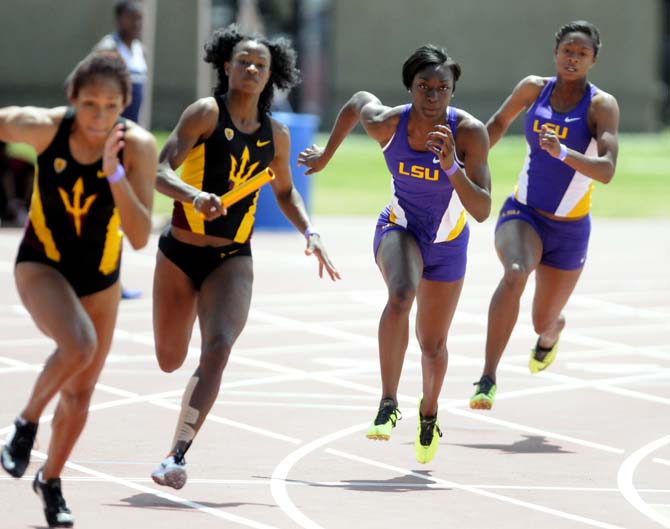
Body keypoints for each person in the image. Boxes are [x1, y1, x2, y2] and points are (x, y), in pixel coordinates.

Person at [149, 24, 340, 490]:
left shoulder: (275, 136)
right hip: (179, 253)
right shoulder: (204, 115)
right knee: (170, 360)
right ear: (226, 67)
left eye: (261, 64)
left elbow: (287, 191)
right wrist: (195, 197)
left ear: (273, 75)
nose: (252, 68)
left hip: (232, 258)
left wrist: (310, 231)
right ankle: (187, 313)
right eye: (243, 61)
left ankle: (175, 454)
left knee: (218, 347)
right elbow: (159, 171)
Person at [297, 45, 491, 464]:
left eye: (443, 88)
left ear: (453, 92)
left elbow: (481, 210)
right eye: (424, 86)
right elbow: (355, 103)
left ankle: (429, 412)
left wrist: (452, 166)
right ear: (410, 87)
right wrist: (326, 156)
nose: (433, 95)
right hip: (399, 228)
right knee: (401, 295)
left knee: (433, 345)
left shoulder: (470, 133)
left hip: (448, 245)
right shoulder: (387, 123)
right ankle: (388, 402)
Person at [0, 51, 157, 527]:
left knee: (81, 394)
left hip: (101, 277)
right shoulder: (46, 127)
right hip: (42, 263)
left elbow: (139, 235)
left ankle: (50, 480)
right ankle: (24, 424)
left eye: (112, 106)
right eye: (90, 104)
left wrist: (114, 175)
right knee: (79, 344)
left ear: (126, 105)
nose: (100, 116)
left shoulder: (138, 147)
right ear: (72, 98)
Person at [469, 20, 619, 410]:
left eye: (582, 54)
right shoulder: (534, 88)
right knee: (515, 271)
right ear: (555, 53)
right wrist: (462, 167)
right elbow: (497, 125)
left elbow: (606, 170)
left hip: (569, 231)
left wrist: (564, 153)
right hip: (523, 213)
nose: (573, 58)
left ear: (593, 60)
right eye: (568, 50)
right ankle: (487, 378)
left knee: (542, 322)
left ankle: (552, 334)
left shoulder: (601, 106)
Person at [94, 0, 148, 299]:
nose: (138, 24)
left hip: (131, 140)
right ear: (119, 19)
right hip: (110, 139)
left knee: (119, 210)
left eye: (141, 19)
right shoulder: (108, 48)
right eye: (132, 18)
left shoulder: (139, 50)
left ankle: (111, 277)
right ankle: (103, 277)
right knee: (104, 208)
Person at [0, 140, 34, 227]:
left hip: (27, 162)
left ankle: (21, 204)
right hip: (12, 160)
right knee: (7, 175)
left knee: (31, 176)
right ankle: (12, 202)